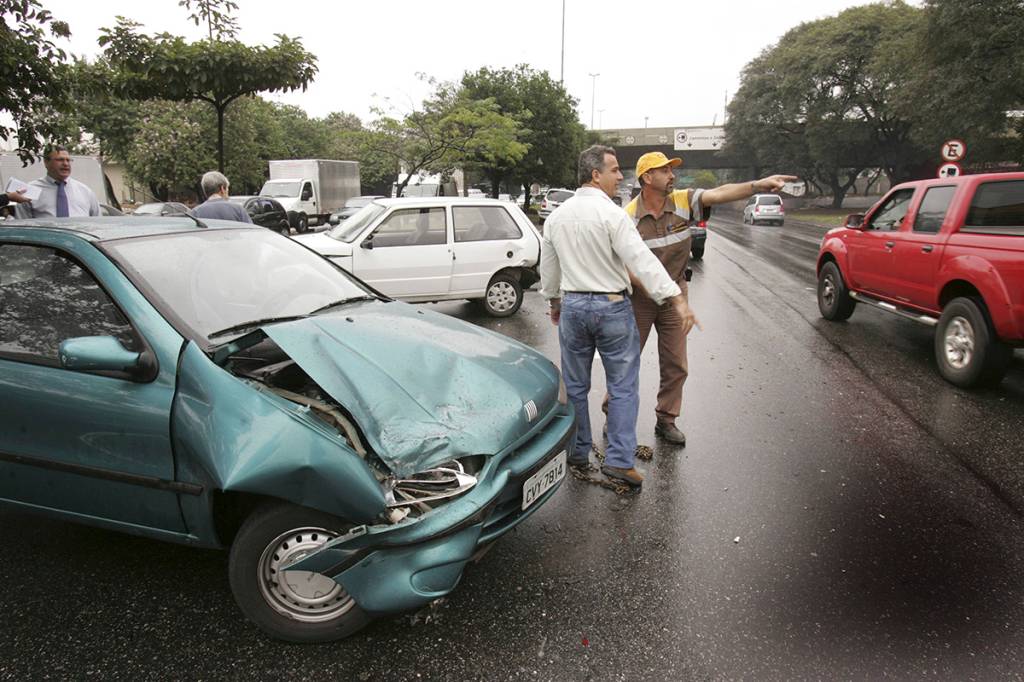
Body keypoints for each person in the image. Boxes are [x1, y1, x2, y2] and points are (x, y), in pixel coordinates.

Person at [539, 145, 700, 489]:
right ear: (595, 174)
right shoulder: (614, 216)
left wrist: (555, 304)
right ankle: (619, 462)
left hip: (574, 308)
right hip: (612, 308)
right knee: (623, 387)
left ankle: (578, 452)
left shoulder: (555, 218)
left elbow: (549, 272)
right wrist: (675, 298)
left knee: (576, 387)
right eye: (614, 171)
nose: (619, 177)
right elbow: (642, 260)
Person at [615, 151, 795, 446]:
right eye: (665, 171)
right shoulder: (628, 216)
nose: (672, 176)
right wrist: (652, 288)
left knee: (676, 362)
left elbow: (720, 193)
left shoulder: (684, 200)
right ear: (648, 178)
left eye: (672, 171)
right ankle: (616, 417)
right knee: (626, 361)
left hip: (676, 294)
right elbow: (622, 266)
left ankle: (666, 419)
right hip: (642, 298)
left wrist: (759, 185)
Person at [14, 146, 100, 218]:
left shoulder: (85, 191)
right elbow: (23, 226)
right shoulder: (29, 191)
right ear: (46, 162)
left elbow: (98, 223)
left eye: (68, 160)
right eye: (60, 160)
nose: (66, 164)